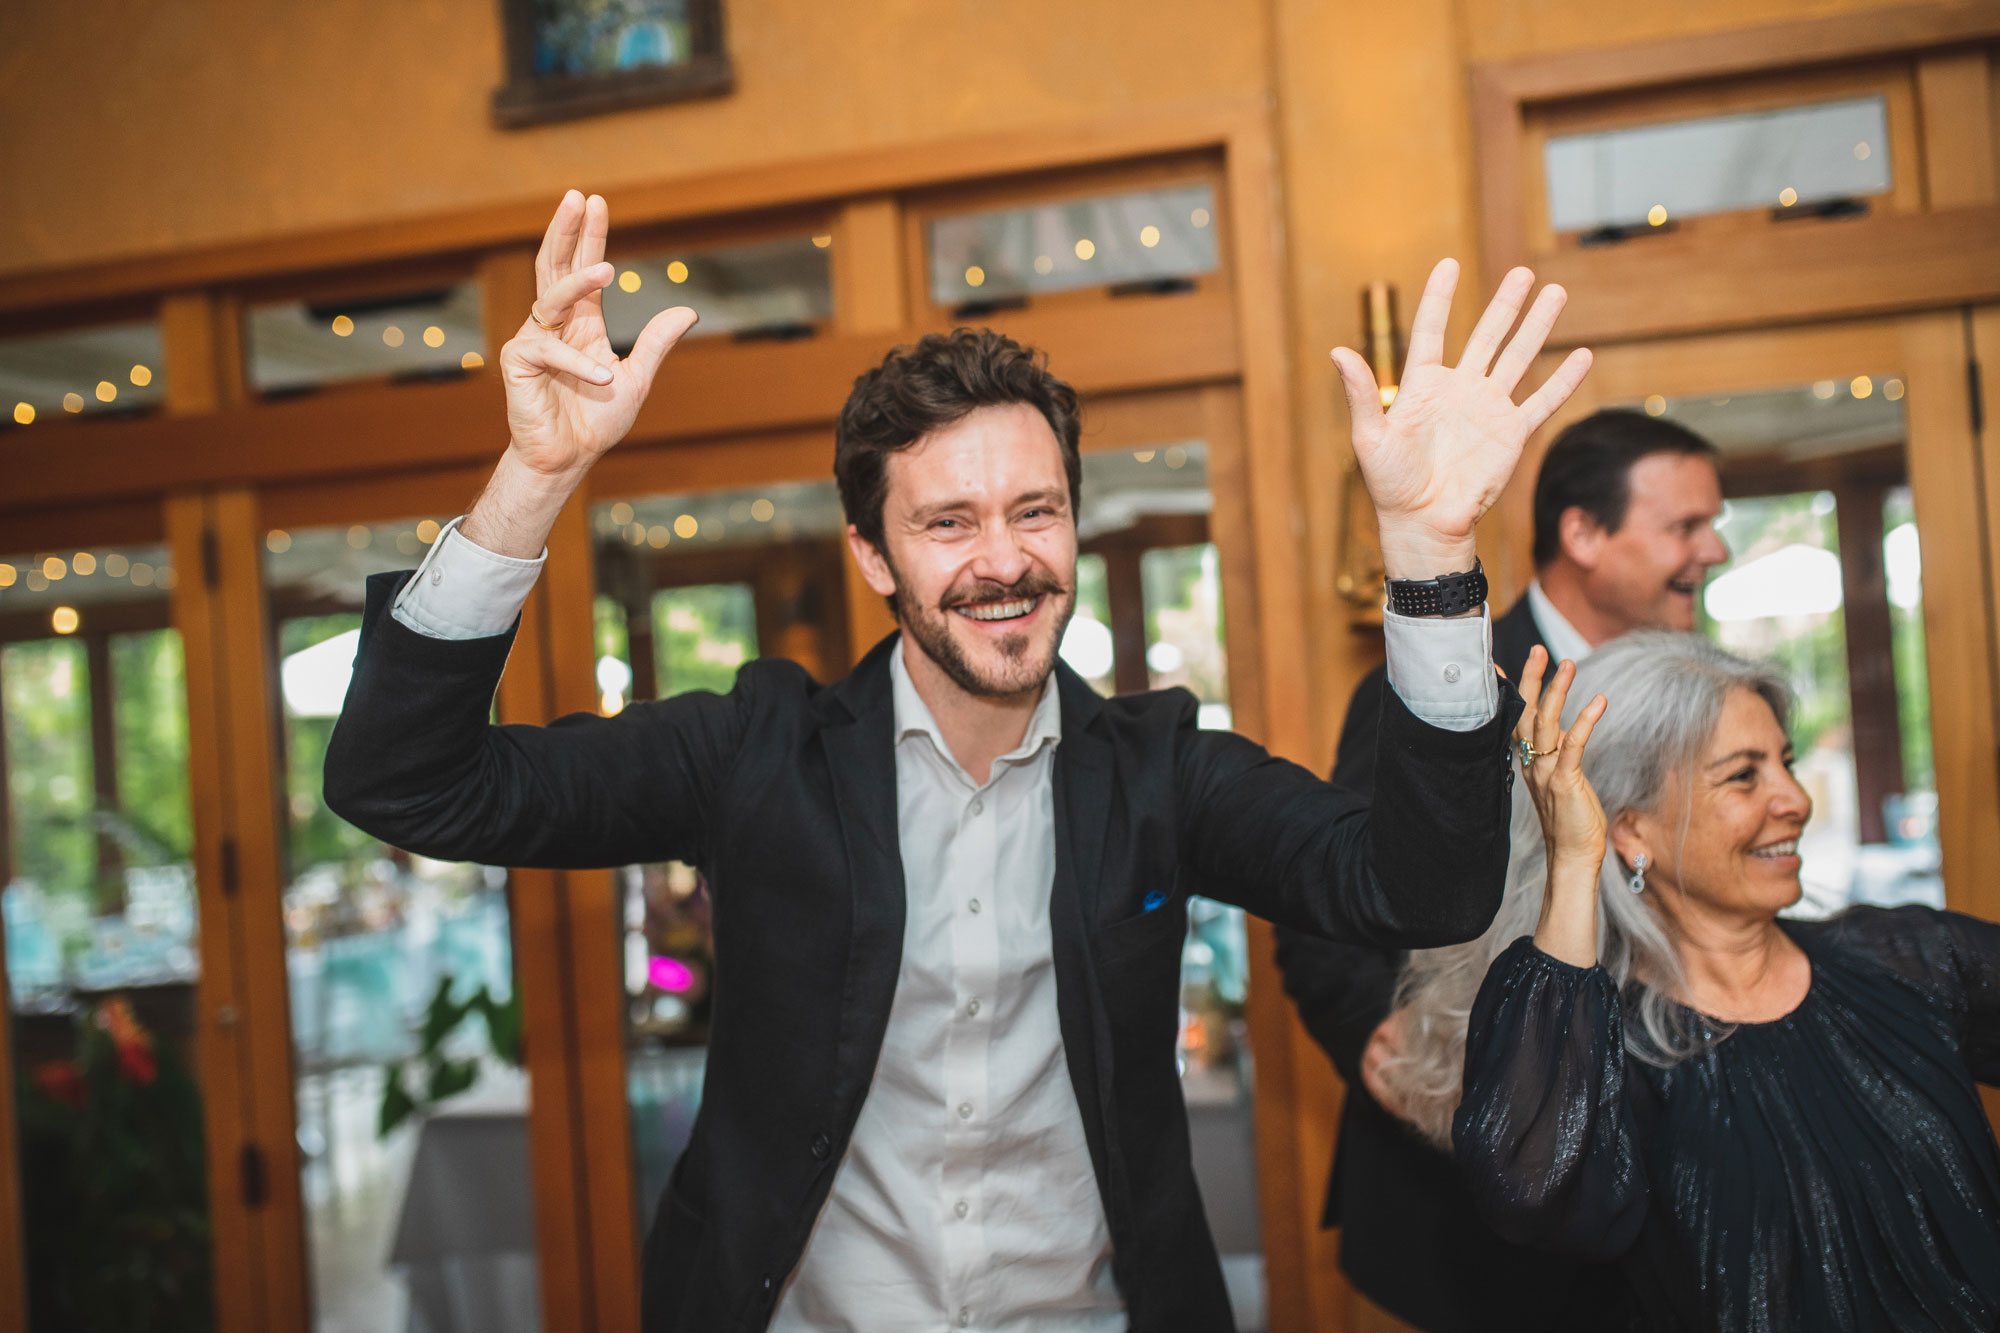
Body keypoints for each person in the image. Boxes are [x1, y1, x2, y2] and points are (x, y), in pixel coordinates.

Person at [322, 190, 1594, 1332]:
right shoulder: (755, 750)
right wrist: (535, 476)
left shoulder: (1158, 769)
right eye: (947, 522)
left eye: (1034, 511)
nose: (1003, 559)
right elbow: (409, 783)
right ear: (873, 556)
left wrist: (1429, 557)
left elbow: (1419, 892)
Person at [1272, 409, 1727, 1330]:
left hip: (1658, 1170)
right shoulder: (1438, 681)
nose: (1712, 549)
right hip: (1471, 1210)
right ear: (1582, 534)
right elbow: (1323, 899)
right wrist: (1378, 1033)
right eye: (1685, 525)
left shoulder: (1704, 690)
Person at [1451, 633, 2000, 1331]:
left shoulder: (1907, 957)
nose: (1796, 799)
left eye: (1786, 763)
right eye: (1744, 775)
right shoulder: (1610, 1062)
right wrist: (1573, 860)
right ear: (1630, 831)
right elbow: (1530, 1190)